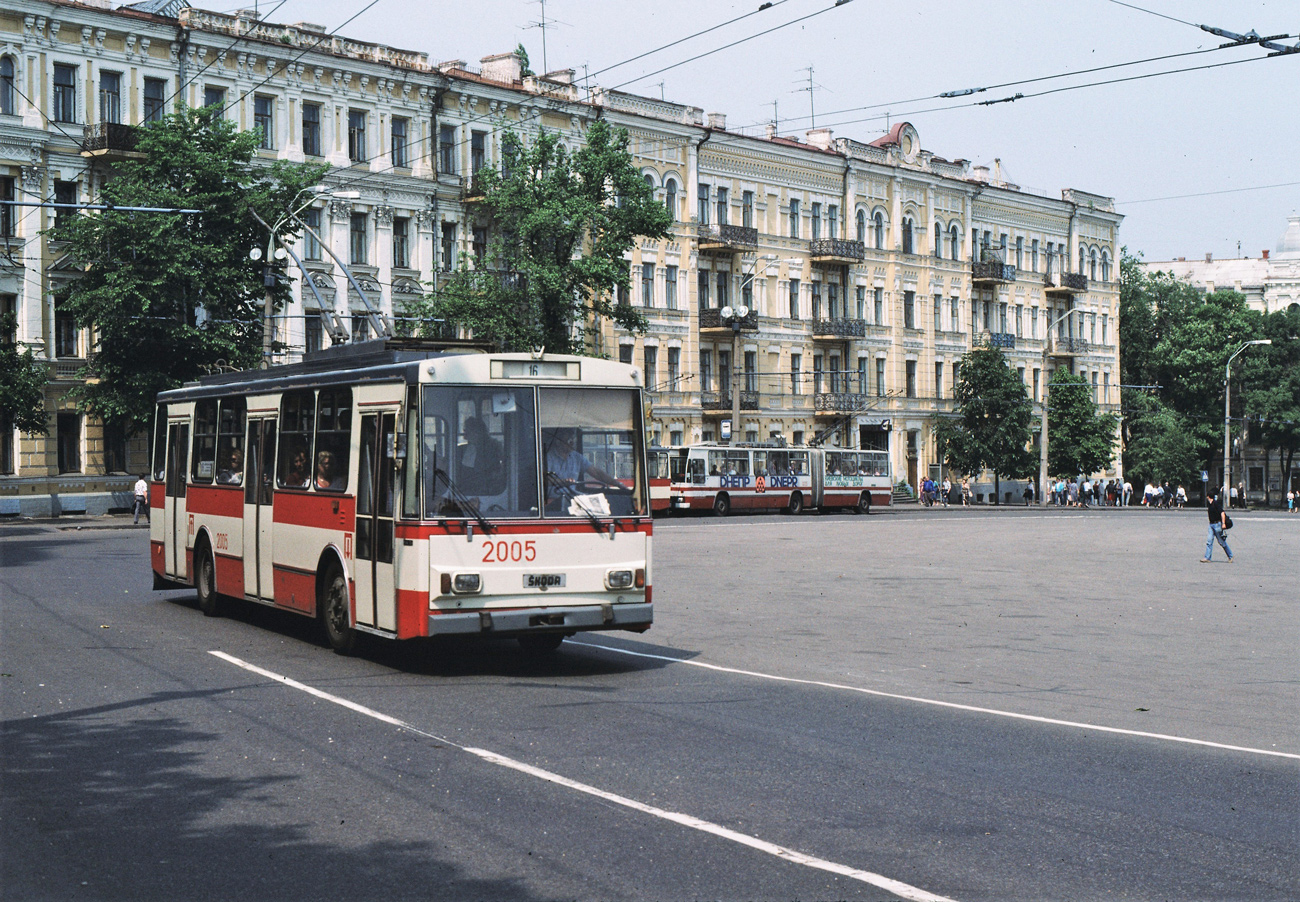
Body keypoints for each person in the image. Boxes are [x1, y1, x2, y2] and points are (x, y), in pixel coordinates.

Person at [458, 416, 504, 495]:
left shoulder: (494, 447)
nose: (464, 436)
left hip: (486, 489)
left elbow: (499, 470)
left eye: (467, 432)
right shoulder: (465, 449)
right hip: (468, 487)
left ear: (477, 432)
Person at [1200, 489, 1233, 563]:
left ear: (1208, 497)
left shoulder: (1216, 504)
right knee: (1209, 541)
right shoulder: (1210, 504)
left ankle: (1230, 555)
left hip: (1217, 525)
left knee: (1221, 542)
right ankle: (1207, 558)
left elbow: (1222, 513)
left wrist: (1223, 523)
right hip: (1211, 525)